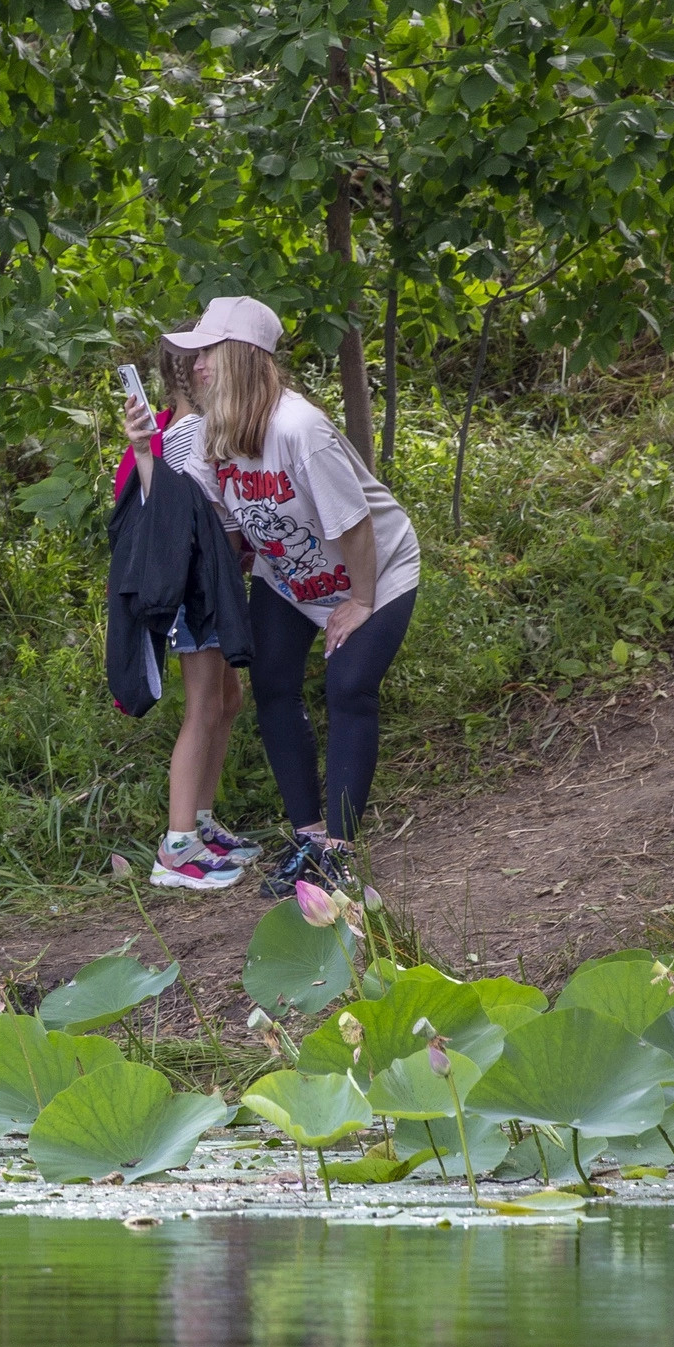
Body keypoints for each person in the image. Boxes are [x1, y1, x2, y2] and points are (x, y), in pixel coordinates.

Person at [129, 295, 420, 898]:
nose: (196, 365)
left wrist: (361, 601)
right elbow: (205, 517)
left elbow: (356, 524)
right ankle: (309, 837)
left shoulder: (299, 428)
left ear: (239, 357)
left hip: (377, 570)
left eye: (207, 352)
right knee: (273, 684)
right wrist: (143, 455)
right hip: (288, 577)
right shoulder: (212, 430)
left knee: (348, 686)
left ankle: (338, 854)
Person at [113, 345, 260, 893]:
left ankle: (199, 823)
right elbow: (182, 514)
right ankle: (177, 849)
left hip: (213, 586)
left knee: (227, 699)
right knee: (202, 707)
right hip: (199, 588)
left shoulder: (185, 432)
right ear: (193, 368)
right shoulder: (188, 435)